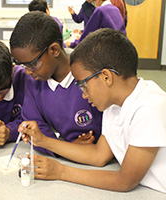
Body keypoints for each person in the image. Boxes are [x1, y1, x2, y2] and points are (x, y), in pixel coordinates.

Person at [20, 28, 166, 195]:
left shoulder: (150, 108)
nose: (83, 93)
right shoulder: (114, 106)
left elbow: (125, 181)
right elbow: (98, 155)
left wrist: (60, 171)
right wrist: (43, 141)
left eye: (82, 84)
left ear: (106, 77)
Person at [10, 11, 102, 157]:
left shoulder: (91, 74)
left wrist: (66, 148)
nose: (27, 72)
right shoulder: (34, 81)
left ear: (54, 50)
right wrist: (67, 148)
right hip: (66, 157)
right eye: (23, 65)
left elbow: (112, 127)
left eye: (32, 64)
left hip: (102, 158)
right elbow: (35, 126)